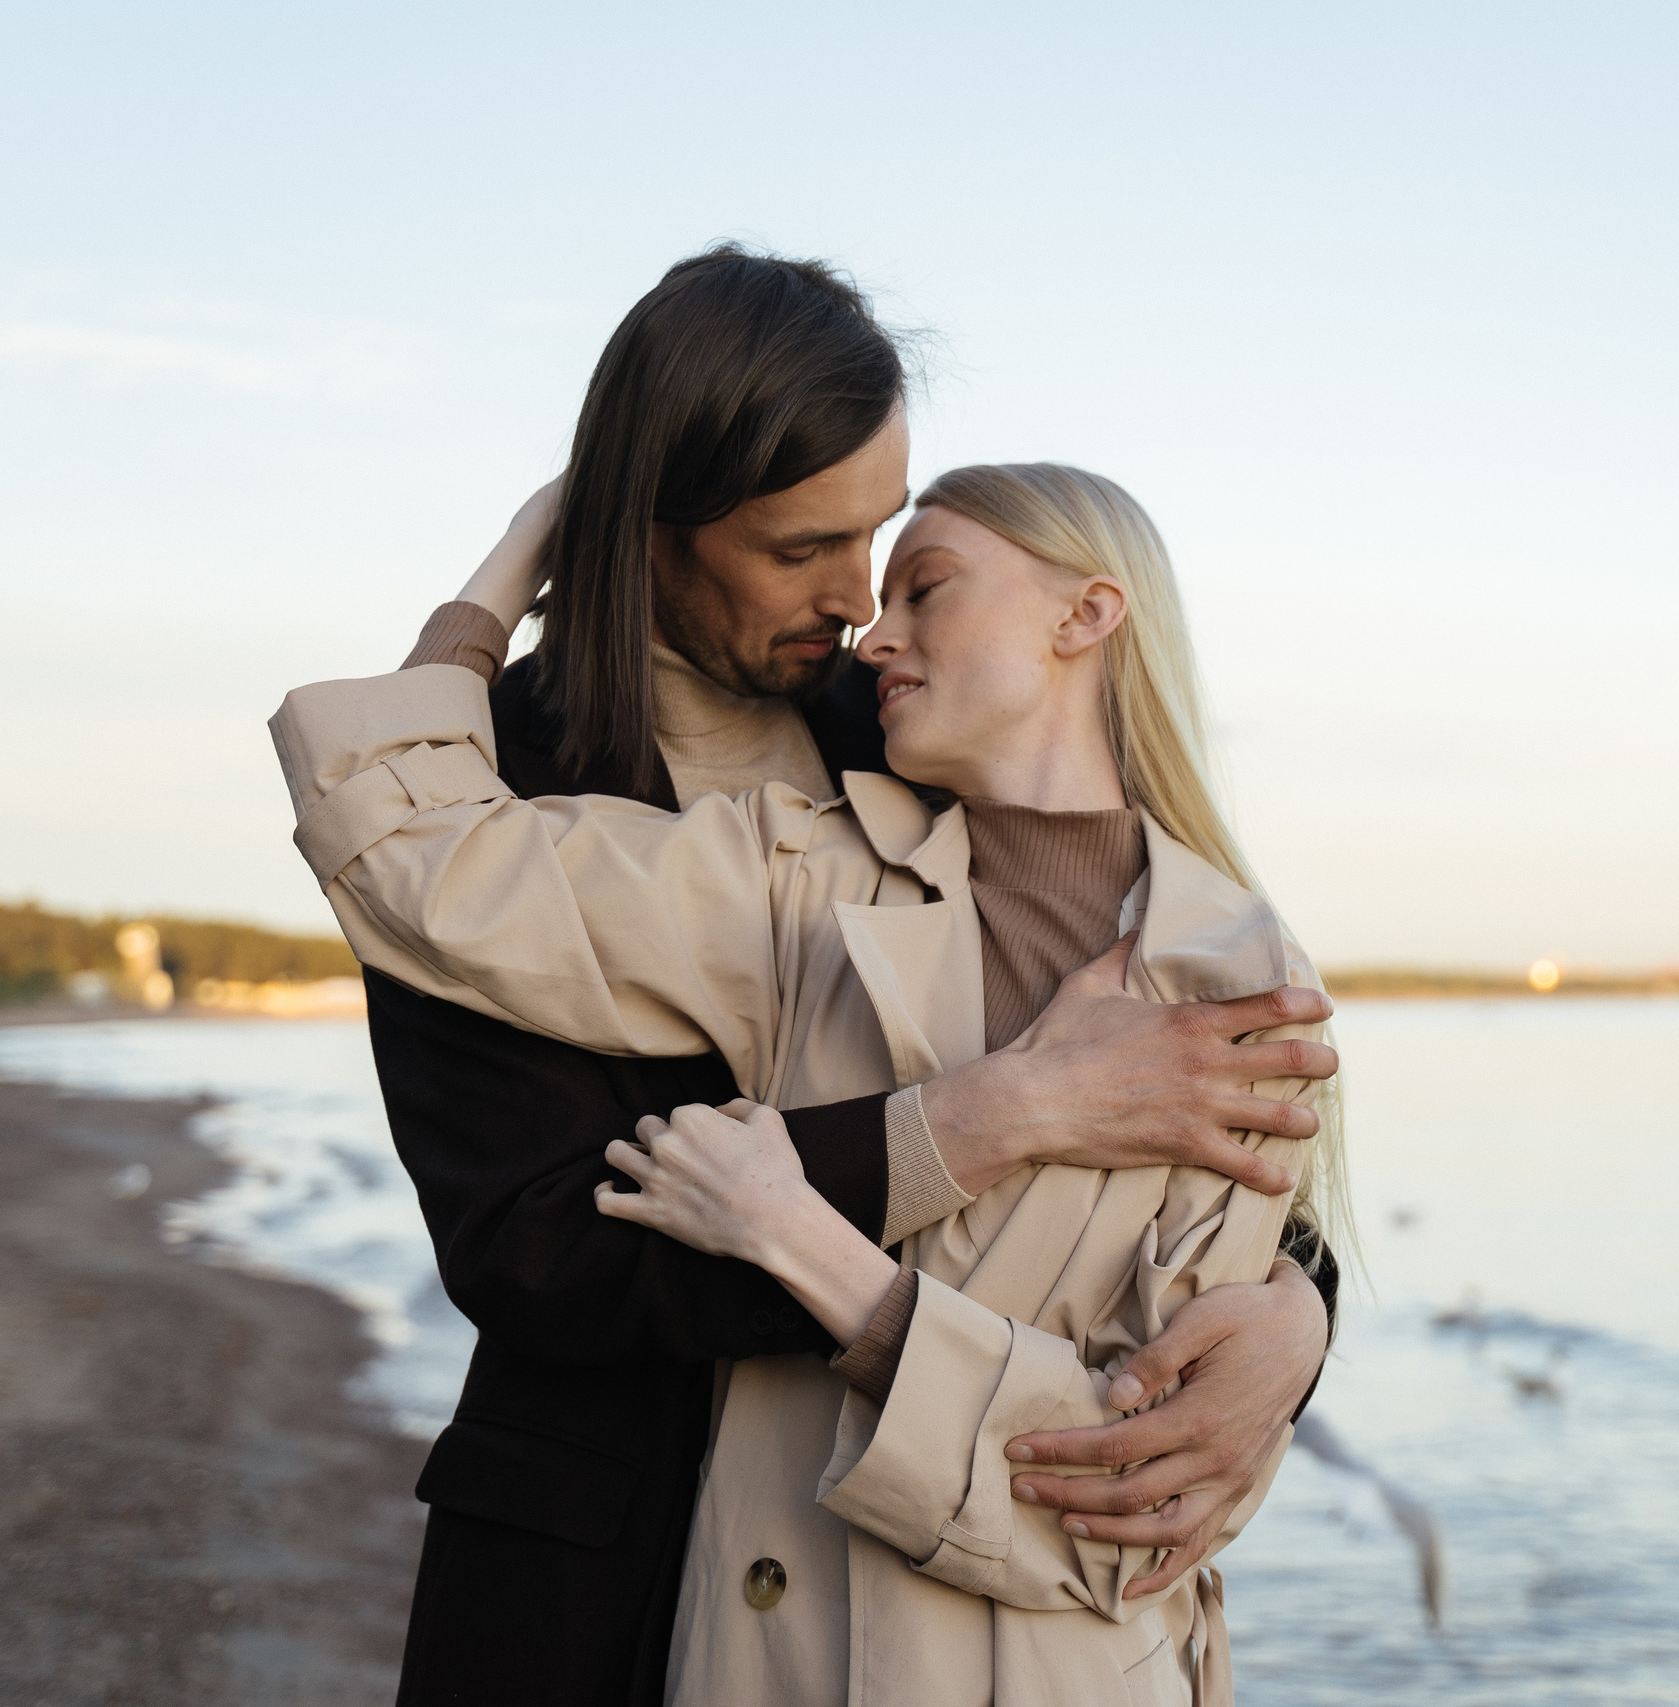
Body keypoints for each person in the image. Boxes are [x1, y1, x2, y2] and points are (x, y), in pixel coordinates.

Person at [322, 247, 1341, 1705]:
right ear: (652, 528)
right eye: (804, 551)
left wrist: (1291, 1323)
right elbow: (532, 1248)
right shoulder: (506, 774)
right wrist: (991, 1119)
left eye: (879, 543)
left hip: (944, 1589)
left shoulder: (907, 723)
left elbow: (1158, 1142)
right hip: (609, 1570)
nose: (858, 605)